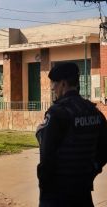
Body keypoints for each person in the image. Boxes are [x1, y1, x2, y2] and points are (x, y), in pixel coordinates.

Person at [36, 62, 107, 207]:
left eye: (54, 84)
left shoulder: (57, 113)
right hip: (83, 192)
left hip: (57, 194)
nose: (52, 88)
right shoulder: (94, 112)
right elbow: (104, 150)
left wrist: (44, 188)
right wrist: (91, 171)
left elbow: (46, 157)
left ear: (63, 84)